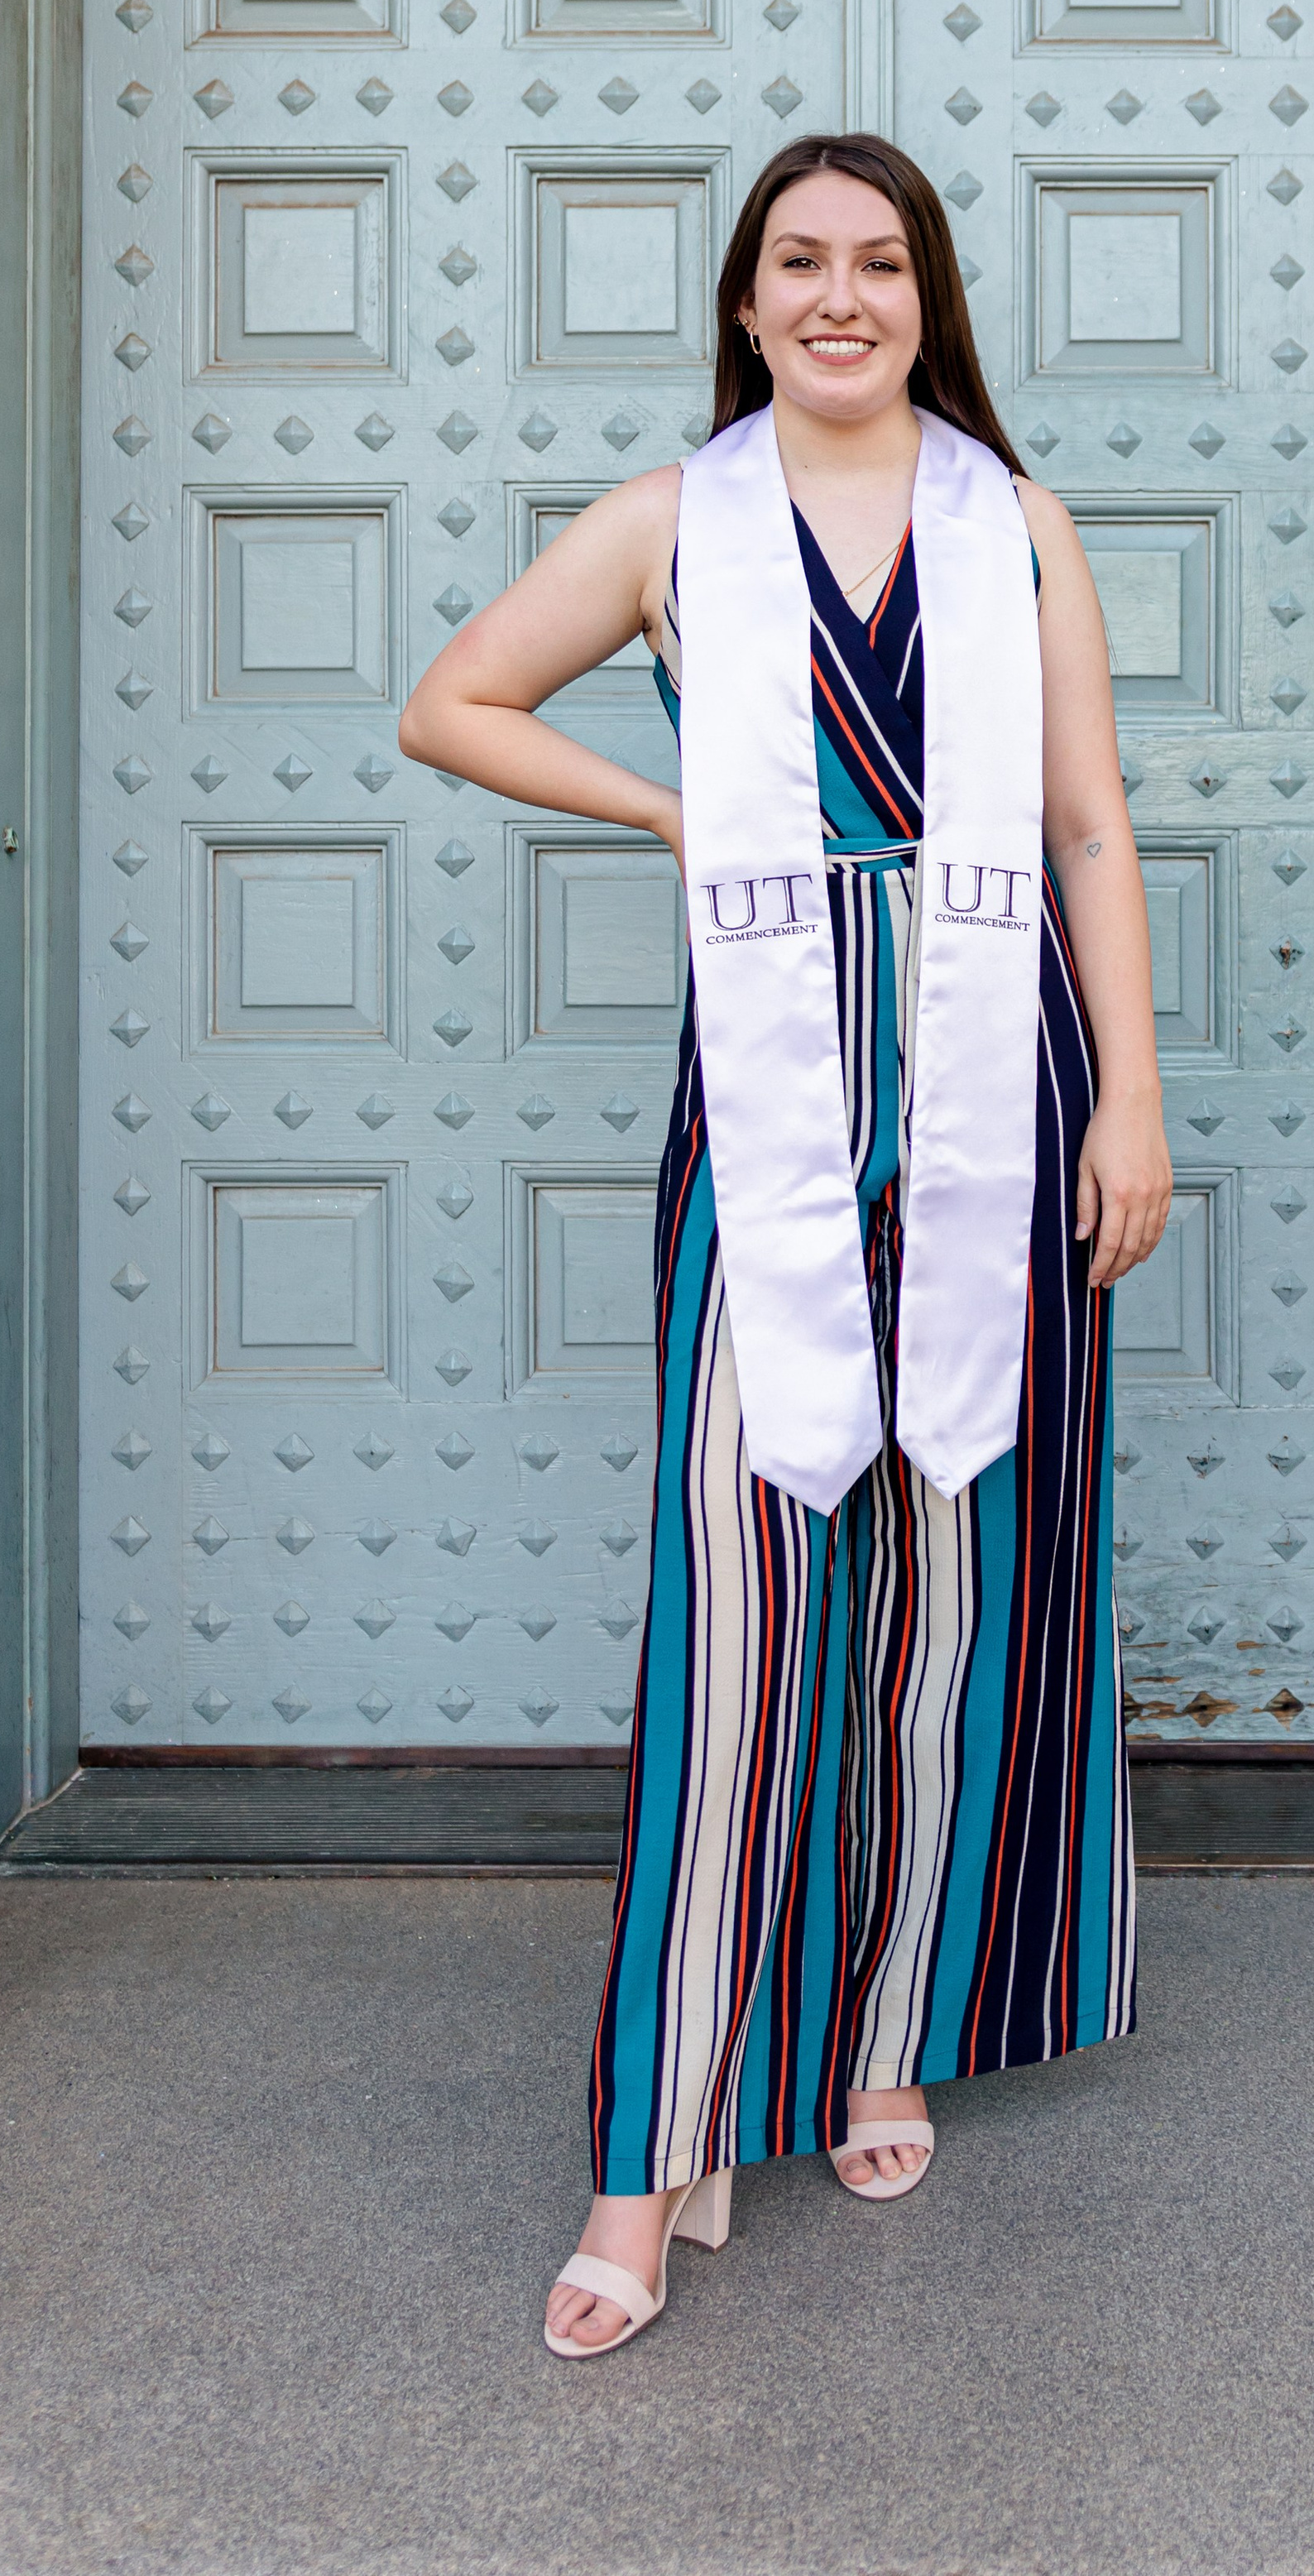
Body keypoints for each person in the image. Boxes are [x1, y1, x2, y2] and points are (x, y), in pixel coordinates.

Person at [399, 132, 1172, 2356]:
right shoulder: (675, 526)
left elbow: (1091, 824)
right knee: (741, 1617)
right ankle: (649, 2158)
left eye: (883, 265)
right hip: (769, 1108)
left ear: (930, 302)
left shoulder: (1013, 528)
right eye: (799, 264)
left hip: (997, 1086)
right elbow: (451, 701)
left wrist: (1128, 1092)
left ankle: (876, 2035)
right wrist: (669, 805)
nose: (843, 296)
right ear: (745, 305)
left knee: (952, 1584)